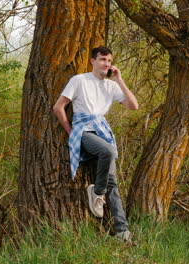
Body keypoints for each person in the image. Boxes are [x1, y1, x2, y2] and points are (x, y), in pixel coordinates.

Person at [53, 46, 138, 242]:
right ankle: (97, 192)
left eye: (109, 61)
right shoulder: (79, 80)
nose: (106, 64)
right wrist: (71, 131)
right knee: (108, 151)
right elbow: (58, 107)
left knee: (113, 183)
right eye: (102, 60)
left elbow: (134, 106)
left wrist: (119, 79)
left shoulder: (111, 86)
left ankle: (122, 232)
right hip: (83, 130)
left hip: (101, 131)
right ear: (92, 61)